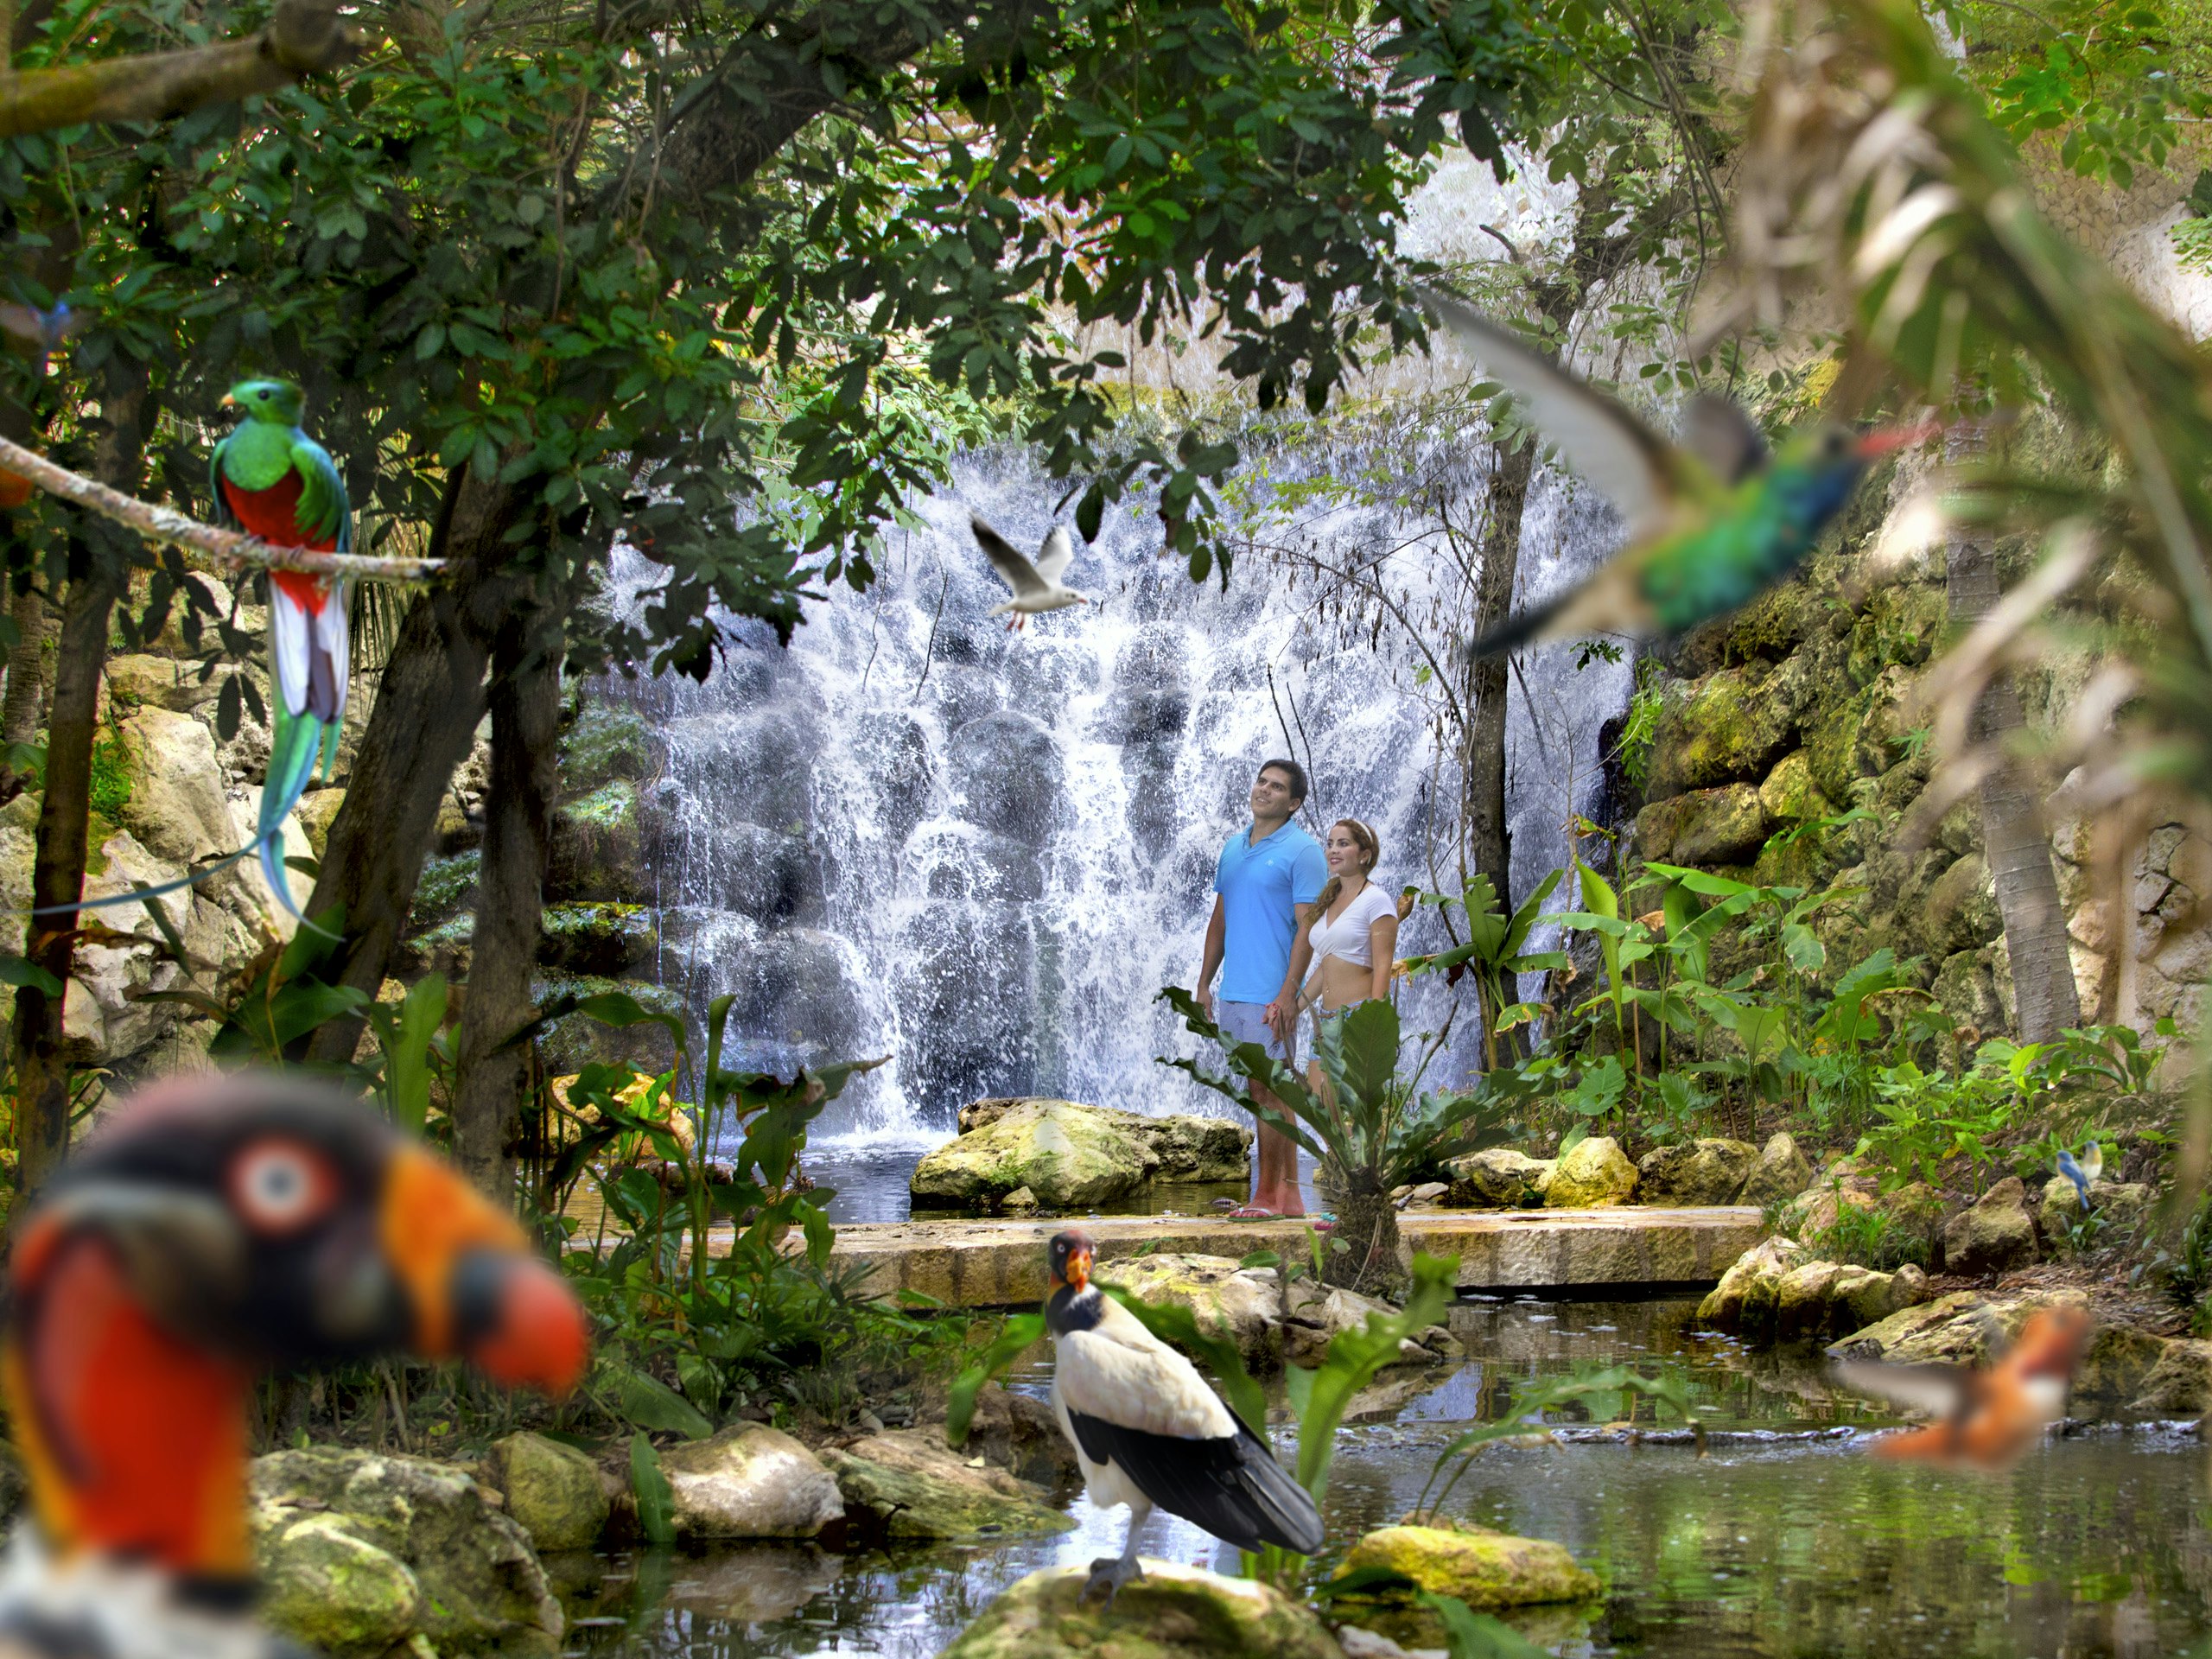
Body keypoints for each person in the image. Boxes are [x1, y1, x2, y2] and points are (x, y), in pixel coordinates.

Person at [1195, 759, 1325, 1217]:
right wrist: (1204, 984)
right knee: (1265, 1091)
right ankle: (1288, 1196)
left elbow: (1308, 929)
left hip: (1271, 994)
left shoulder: (1303, 851)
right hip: (1234, 993)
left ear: (1293, 803)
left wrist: (1289, 993)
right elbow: (1220, 920)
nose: (1264, 790)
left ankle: (1267, 1196)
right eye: (1261, 781)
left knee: (1270, 1091)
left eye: (1276, 787)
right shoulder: (1233, 847)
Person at [1293, 819, 1399, 1090]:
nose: (1333, 851)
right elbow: (1326, 967)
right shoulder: (1328, 900)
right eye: (1329, 844)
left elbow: (1383, 967)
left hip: (1359, 1017)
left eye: (1343, 844)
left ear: (1365, 855)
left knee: (1352, 1116)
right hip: (1326, 1018)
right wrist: (1294, 1008)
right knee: (1324, 1110)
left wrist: (1376, 1026)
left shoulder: (1376, 900)